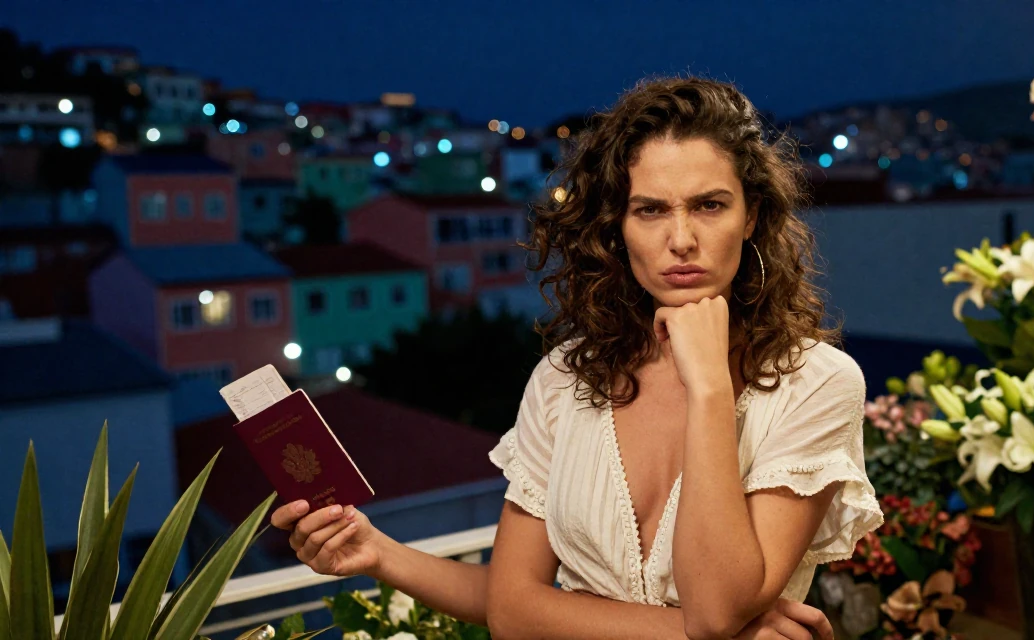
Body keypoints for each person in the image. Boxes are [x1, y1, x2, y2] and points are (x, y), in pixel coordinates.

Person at [270, 76, 883, 640]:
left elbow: (718, 607)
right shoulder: (565, 379)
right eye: (650, 209)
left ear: (752, 216)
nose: (681, 239)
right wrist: (379, 552)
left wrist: (710, 390)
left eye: (709, 205)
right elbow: (512, 608)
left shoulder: (817, 384)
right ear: (618, 226)